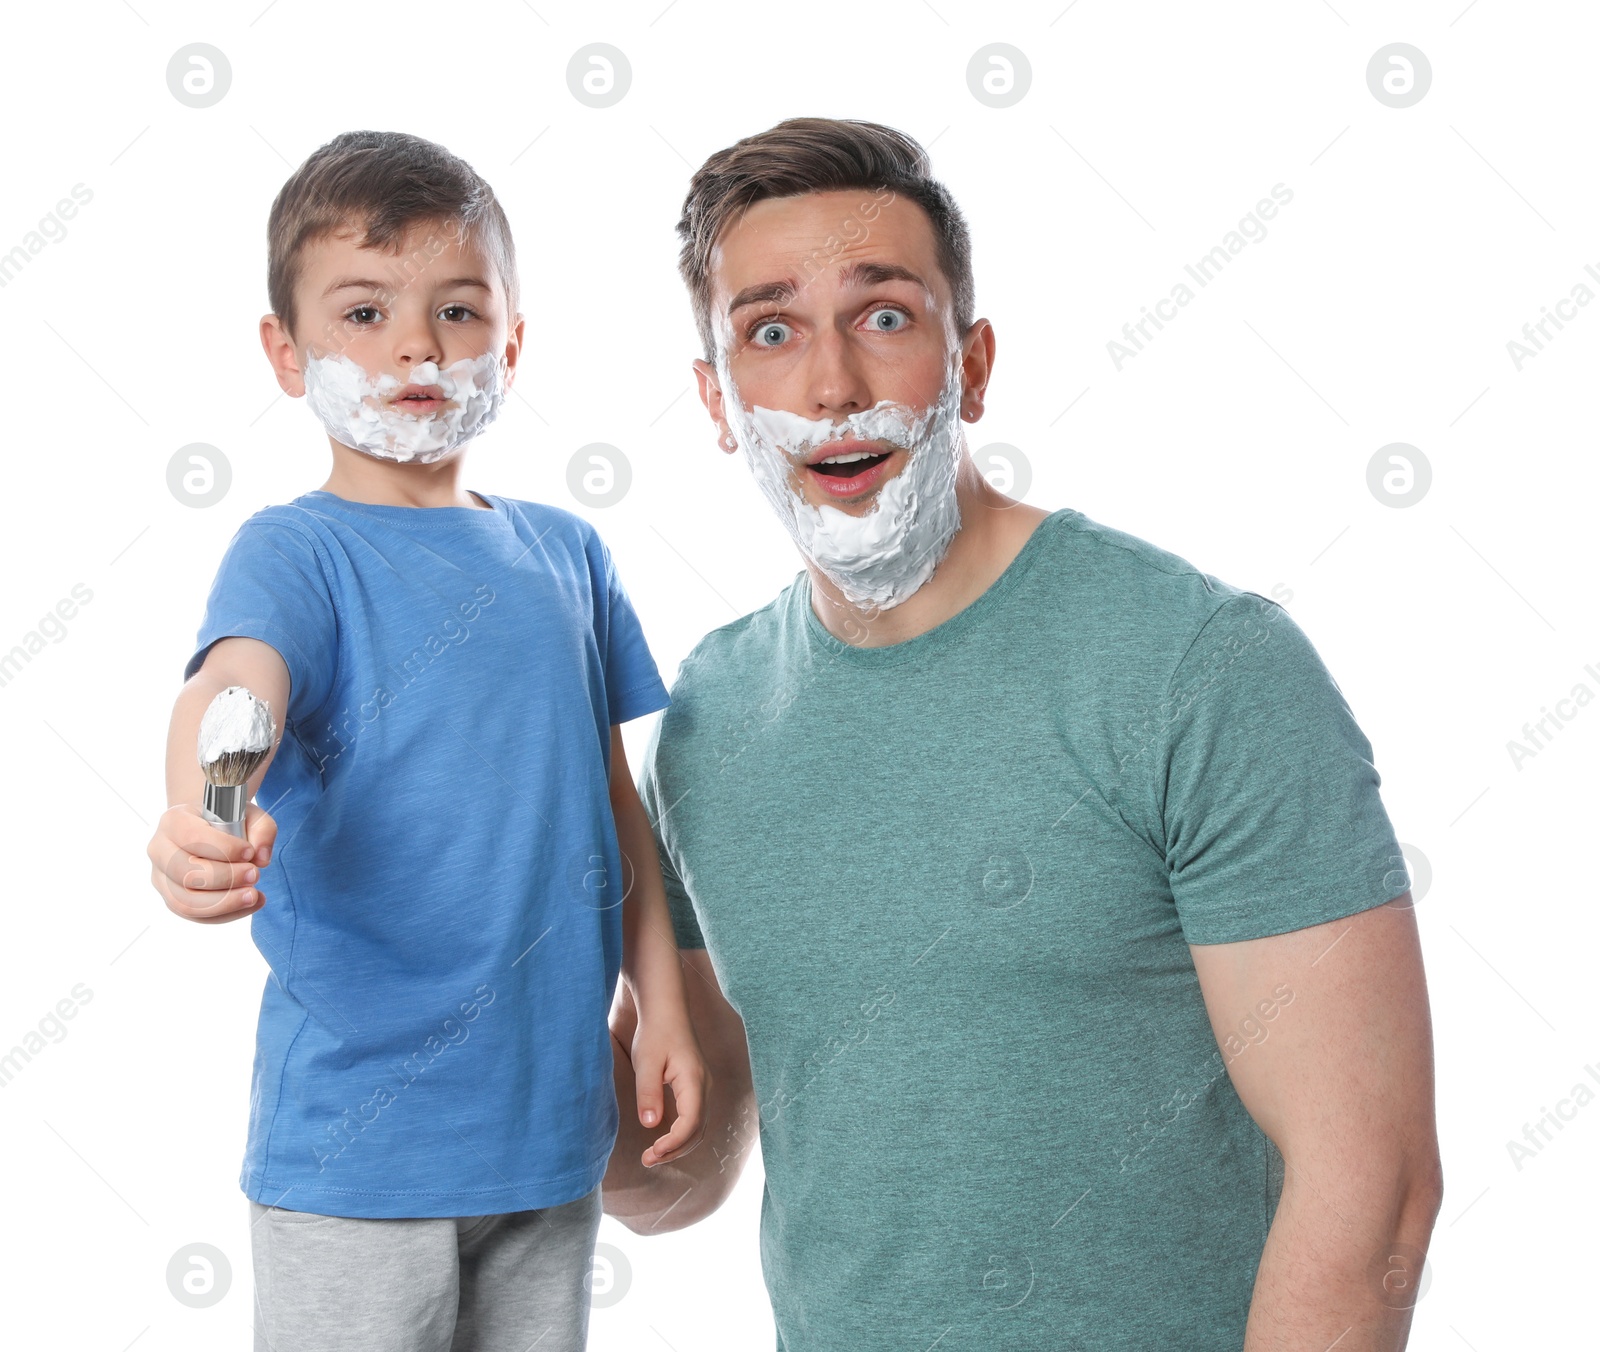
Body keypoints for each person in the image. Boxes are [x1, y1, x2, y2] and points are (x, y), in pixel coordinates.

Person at [601, 117, 1442, 1351]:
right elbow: (690, 1160)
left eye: (882, 315)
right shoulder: (710, 721)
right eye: (768, 332)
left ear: (971, 363)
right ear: (718, 401)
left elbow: (1373, 1192)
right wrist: (514, 1073)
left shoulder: (1198, 668)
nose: (830, 383)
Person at [144, 129, 707, 1352]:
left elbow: (615, 805)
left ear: (512, 340)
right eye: (364, 310)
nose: (416, 345)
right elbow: (238, 684)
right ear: (284, 354)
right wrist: (209, 802)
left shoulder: (569, 555)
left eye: (458, 309)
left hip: (549, 1133)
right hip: (356, 1148)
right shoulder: (297, 553)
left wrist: (662, 1002)